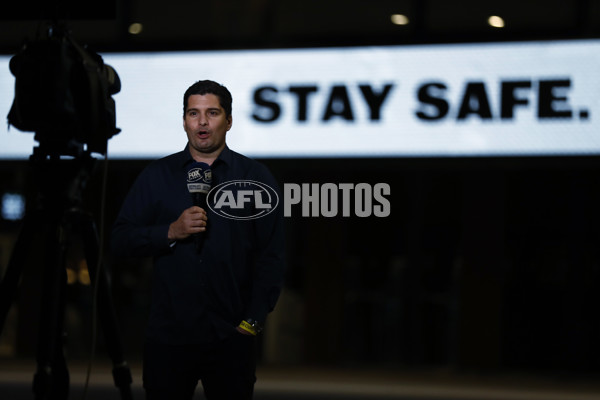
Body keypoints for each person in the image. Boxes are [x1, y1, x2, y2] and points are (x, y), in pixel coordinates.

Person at [111, 80, 285, 399]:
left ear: (228, 121)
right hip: (169, 339)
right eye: (194, 113)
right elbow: (119, 240)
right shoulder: (157, 176)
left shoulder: (256, 178)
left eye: (212, 113)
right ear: (184, 120)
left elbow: (271, 257)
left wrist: (253, 321)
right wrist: (169, 232)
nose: (202, 122)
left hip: (232, 339)